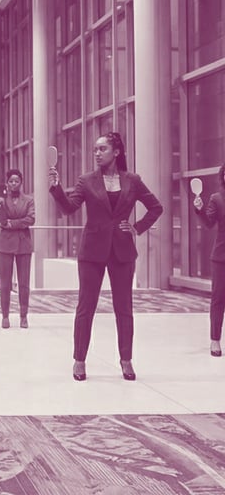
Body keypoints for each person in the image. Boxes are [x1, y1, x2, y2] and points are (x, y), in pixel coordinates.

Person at [48, 131, 162, 382]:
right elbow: (69, 209)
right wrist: (56, 188)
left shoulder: (132, 180)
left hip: (122, 251)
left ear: (116, 152)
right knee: (85, 307)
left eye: (102, 149)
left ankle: (126, 360)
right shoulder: (86, 180)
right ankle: (79, 360)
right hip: (92, 252)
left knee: (124, 309)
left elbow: (156, 207)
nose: (97, 153)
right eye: (95, 149)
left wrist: (137, 227)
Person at [0, 169, 35, 329]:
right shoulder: (2, 201)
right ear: (7, 183)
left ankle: (23, 316)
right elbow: (3, 222)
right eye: (11, 181)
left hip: (24, 245)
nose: (13, 184)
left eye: (16, 181)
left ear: (21, 182)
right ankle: (5, 316)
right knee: (5, 283)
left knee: (24, 283)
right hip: (5, 244)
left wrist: (13, 224)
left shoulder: (29, 200)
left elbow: (31, 219)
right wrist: (1, 208)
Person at [192, 164, 225, 357]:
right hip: (221, 257)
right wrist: (200, 210)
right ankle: (215, 340)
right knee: (218, 299)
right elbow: (208, 223)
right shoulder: (217, 198)